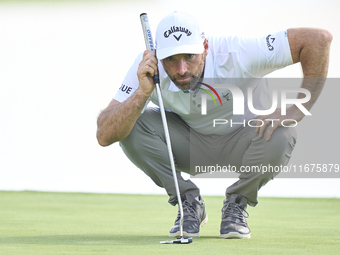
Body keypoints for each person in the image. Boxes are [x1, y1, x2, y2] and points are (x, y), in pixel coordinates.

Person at [96, 11, 332, 239]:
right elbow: (105, 134)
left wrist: (297, 109)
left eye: (190, 56)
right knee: (130, 122)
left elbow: (318, 39)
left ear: (205, 48)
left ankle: (237, 203)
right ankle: (188, 201)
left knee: (284, 129)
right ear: (158, 56)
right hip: (189, 145)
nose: (182, 70)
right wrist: (141, 94)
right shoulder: (147, 67)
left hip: (247, 142)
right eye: (171, 59)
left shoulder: (238, 53)